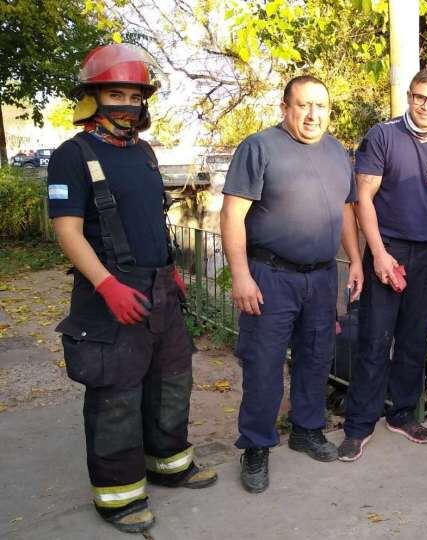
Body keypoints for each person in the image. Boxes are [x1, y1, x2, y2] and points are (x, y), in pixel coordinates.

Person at [48, 44, 217, 534]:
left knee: (170, 380)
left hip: (160, 288)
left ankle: (169, 462)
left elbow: (149, 218)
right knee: (116, 393)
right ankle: (118, 497)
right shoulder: (71, 156)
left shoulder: (143, 152)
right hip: (110, 294)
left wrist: (170, 267)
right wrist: (106, 286)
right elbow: (68, 231)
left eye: (135, 96)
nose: (127, 105)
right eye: (115, 94)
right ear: (92, 98)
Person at [221, 75, 363, 494]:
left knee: (316, 357)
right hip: (270, 276)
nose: (312, 114)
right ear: (286, 107)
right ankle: (257, 446)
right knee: (263, 363)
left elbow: (346, 212)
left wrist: (355, 260)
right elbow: (231, 215)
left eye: (321, 106)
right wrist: (241, 274)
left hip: (321, 276)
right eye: (303, 105)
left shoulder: (338, 152)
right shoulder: (259, 147)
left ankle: (306, 429)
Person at [339, 68, 427, 461]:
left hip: (426, 252)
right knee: (374, 338)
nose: (426, 105)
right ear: (409, 96)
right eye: (419, 97)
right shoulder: (384, 136)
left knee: (414, 338)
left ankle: (401, 414)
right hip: (388, 245)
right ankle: (358, 425)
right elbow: (363, 197)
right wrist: (377, 253)